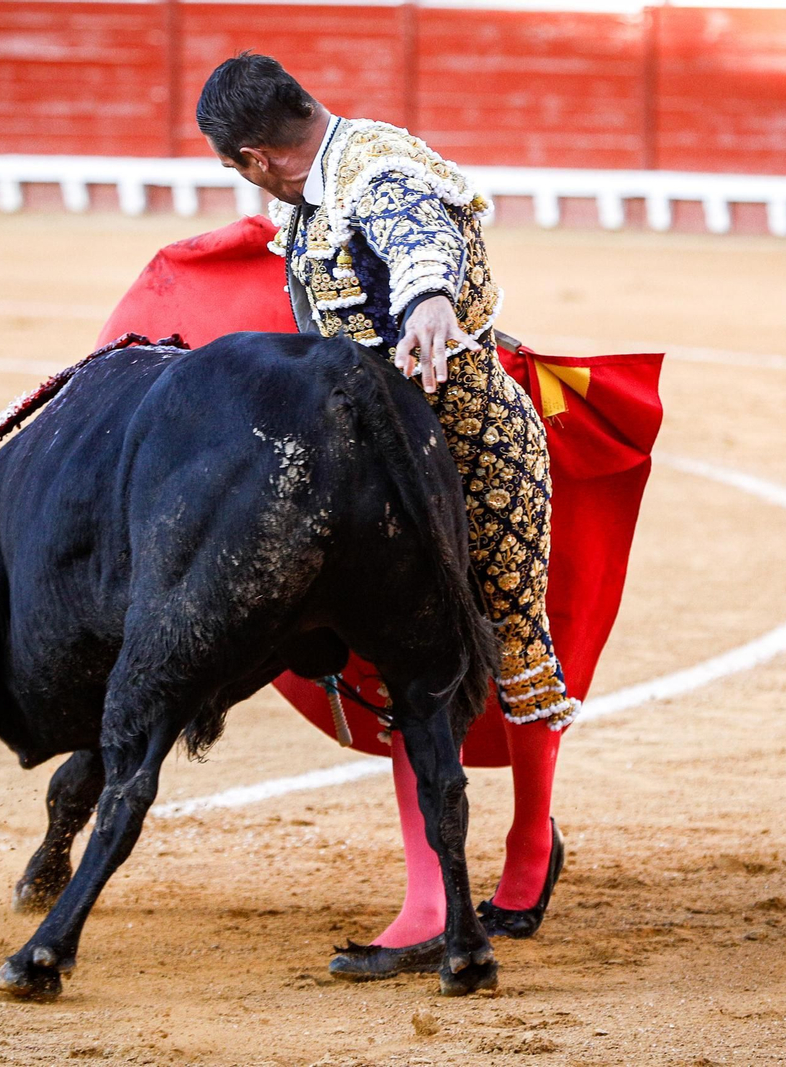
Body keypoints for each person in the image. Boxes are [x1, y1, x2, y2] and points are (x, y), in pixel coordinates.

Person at [197, 53, 572, 979]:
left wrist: (431, 302)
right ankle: (432, 896)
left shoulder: (379, 171)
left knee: (515, 643)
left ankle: (530, 843)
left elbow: (415, 237)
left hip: (474, 450)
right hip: (371, 463)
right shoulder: (318, 187)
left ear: (255, 158)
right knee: (401, 659)